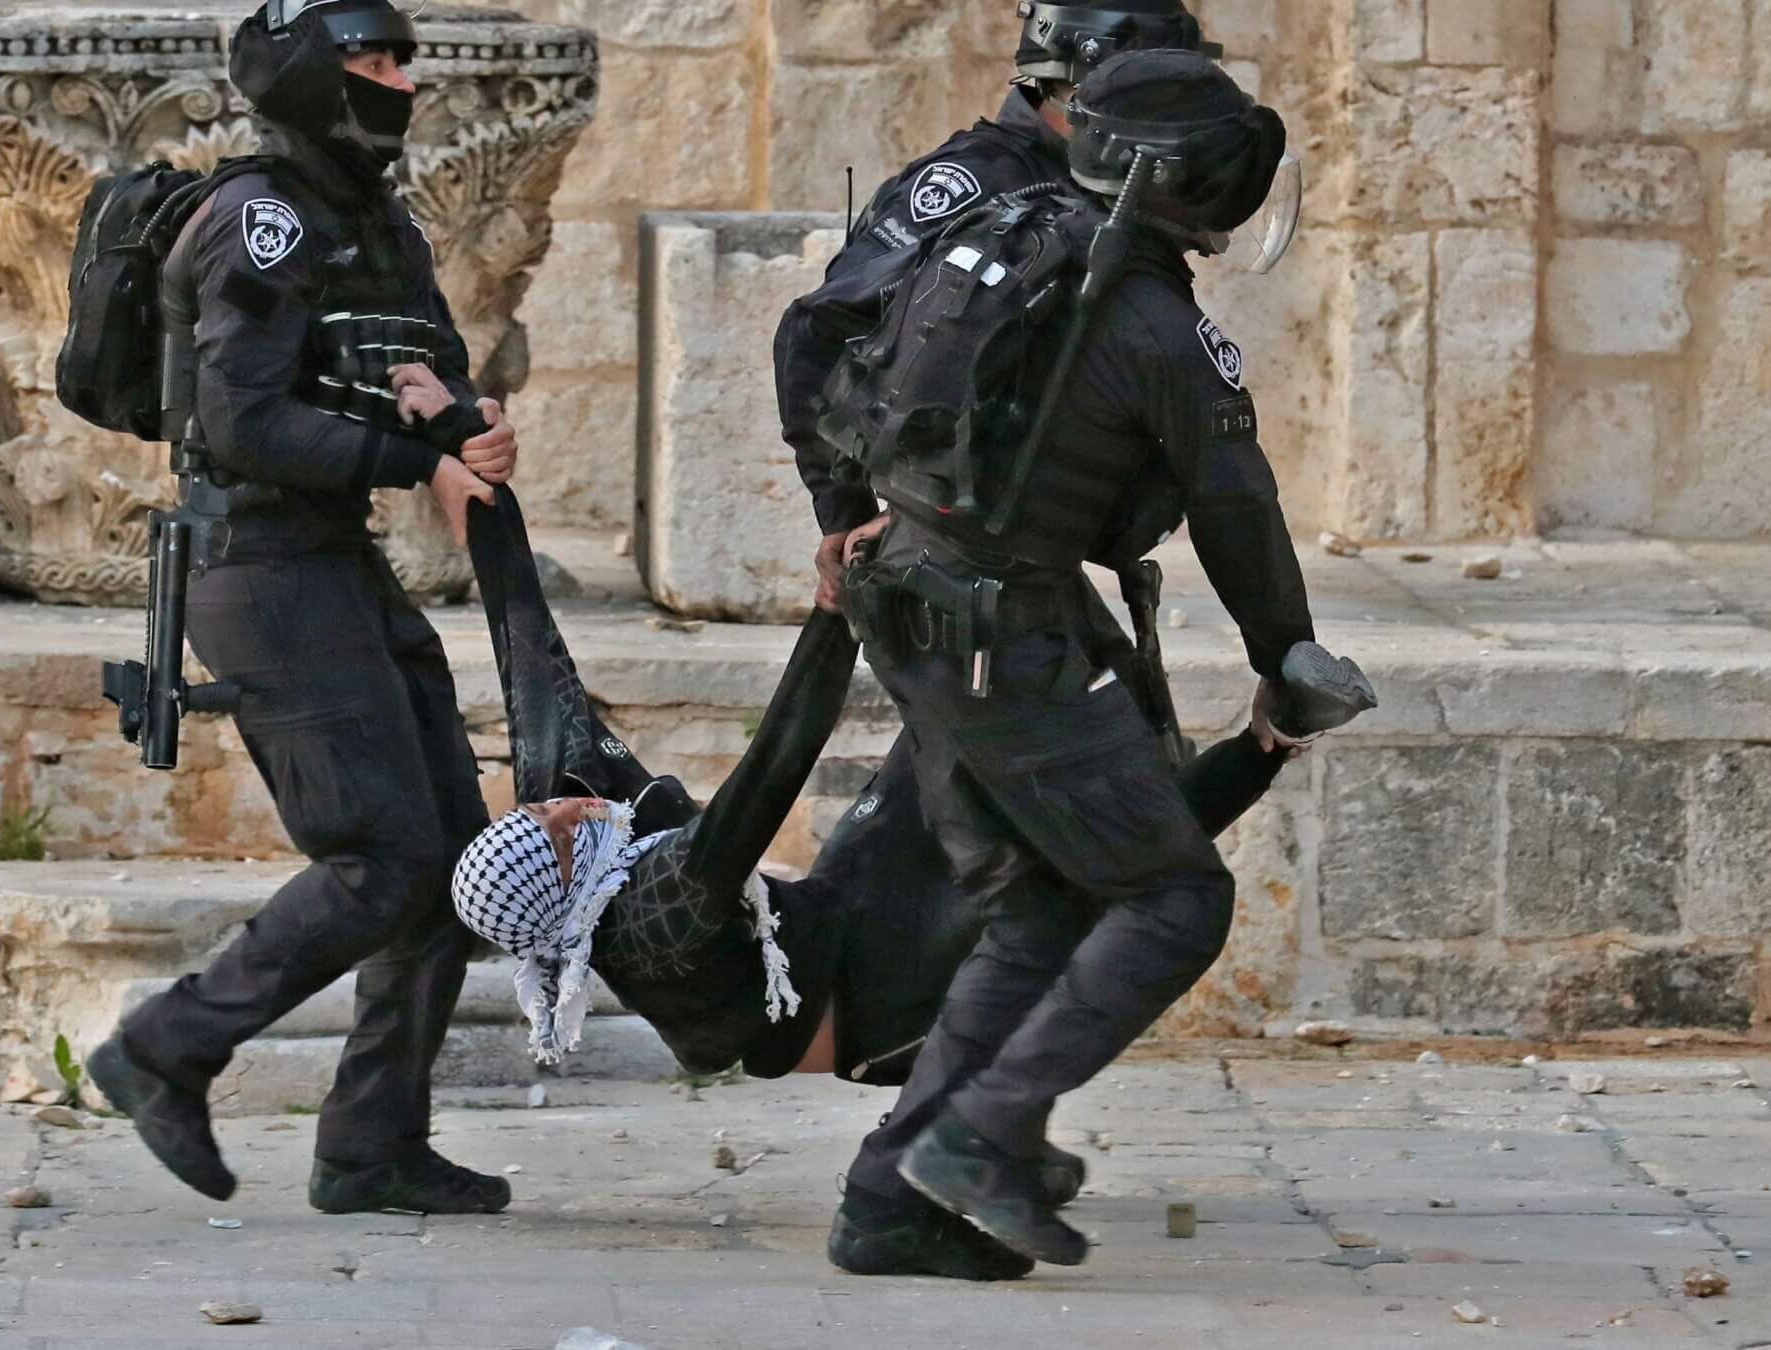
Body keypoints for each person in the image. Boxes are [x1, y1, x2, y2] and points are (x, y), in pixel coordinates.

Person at [446, 490, 1298, 1280]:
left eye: (545, 808)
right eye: (555, 829)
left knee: (973, 742)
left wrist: (487, 502)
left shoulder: (580, 841)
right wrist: (837, 615)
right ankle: (889, 1198)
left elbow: (533, 669)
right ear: (561, 890)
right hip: (874, 1002)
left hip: (842, 912)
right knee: (1055, 886)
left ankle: (1011, 1145)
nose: (565, 806)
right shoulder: (655, 911)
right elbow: (771, 770)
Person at [783, 50, 1331, 1269]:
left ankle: (890, 1203)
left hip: (917, 612)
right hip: (1005, 646)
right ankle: (982, 1135)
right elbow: (1240, 514)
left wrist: (847, 512)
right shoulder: (1155, 326)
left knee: (1039, 908)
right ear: (1187, 180)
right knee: (1178, 897)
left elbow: (837, 349)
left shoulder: (1004, 234)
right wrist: (1288, 658)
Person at [84, 0, 522, 1216]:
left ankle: (372, 1146)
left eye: (403, 61)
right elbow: (239, 423)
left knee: (451, 867)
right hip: (260, 571)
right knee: (380, 858)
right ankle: (168, 1044)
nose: (401, 82)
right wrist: (417, 463)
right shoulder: (260, 220)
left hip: (333, 561)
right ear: (309, 82)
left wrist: (471, 425)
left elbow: (424, 369)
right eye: (374, 63)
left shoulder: (375, 221)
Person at [772, 0, 1221, 613]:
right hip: (941, 562)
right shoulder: (979, 182)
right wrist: (846, 516)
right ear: (1079, 82)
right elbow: (815, 330)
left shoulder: (1101, 188)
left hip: (1027, 554)